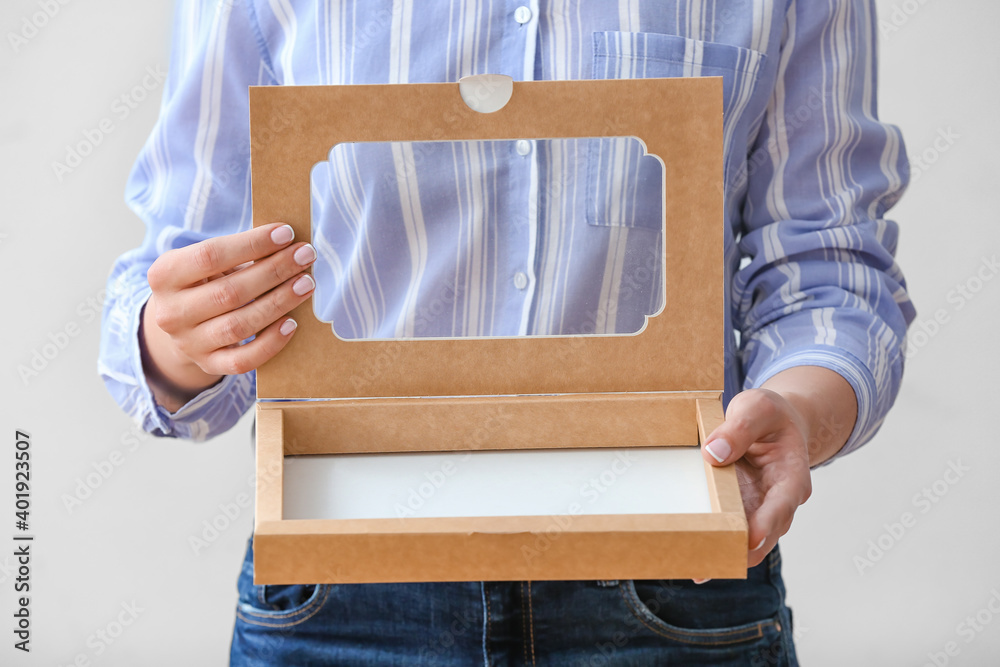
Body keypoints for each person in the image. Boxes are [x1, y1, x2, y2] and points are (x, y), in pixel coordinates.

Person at [99, 1, 914, 664]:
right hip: (341, 601)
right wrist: (179, 341)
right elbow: (173, 274)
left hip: (680, 582)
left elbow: (829, 266)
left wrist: (800, 411)